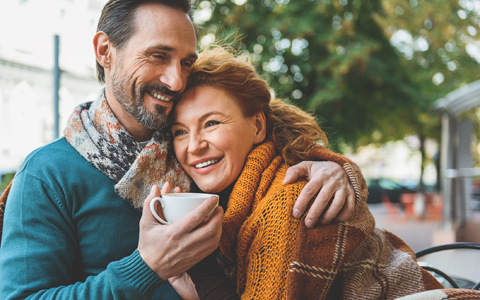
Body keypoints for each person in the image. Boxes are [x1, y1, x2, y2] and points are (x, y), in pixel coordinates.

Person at [0, 1, 361, 299]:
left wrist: (328, 165)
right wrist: (146, 266)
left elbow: (268, 128)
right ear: (105, 51)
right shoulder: (48, 174)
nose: (176, 80)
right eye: (158, 56)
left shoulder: (198, 160)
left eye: (187, 62)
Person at [162, 46, 447, 299]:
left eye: (211, 123)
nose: (194, 146)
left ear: (258, 126)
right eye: (180, 132)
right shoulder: (234, 196)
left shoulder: (287, 203)